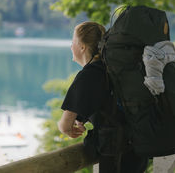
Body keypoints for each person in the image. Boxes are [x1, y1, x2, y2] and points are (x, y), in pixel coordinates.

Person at [58, 21, 149, 173]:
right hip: (137, 150)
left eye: (73, 41)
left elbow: (65, 126)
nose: (70, 46)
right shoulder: (113, 68)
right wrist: (80, 119)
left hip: (115, 153)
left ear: (82, 47)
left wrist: (68, 127)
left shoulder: (88, 75)